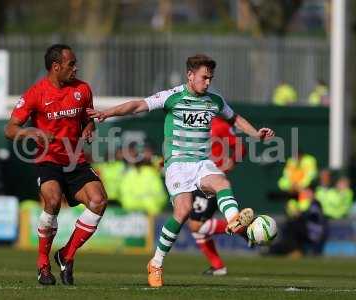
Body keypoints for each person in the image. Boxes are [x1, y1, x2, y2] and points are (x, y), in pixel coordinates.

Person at [87, 54, 275, 287]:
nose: (207, 82)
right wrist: (108, 113)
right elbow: (138, 105)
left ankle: (233, 220)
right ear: (190, 75)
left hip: (201, 162)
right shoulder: (172, 97)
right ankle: (155, 263)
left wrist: (256, 134)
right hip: (177, 164)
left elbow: (234, 118)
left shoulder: (214, 100)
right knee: (183, 211)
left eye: (210, 78)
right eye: (204, 77)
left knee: (222, 183)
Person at [4, 44, 108, 286]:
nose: (76, 67)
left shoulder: (83, 89)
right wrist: (34, 134)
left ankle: (66, 254)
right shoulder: (36, 93)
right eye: (71, 64)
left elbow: (87, 120)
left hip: (75, 160)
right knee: (52, 201)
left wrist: (90, 126)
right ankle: (43, 265)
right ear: (56, 67)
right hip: (47, 160)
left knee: (99, 201)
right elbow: (10, 130)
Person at [188, 116, 247, 276]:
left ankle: (242, 228)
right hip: (196, 179)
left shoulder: (219, 125)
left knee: (195, 226)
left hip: (212, 180)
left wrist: (232, 162)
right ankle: (218, 266)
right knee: (197, 229)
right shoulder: (192, 124)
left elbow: (241, 146)